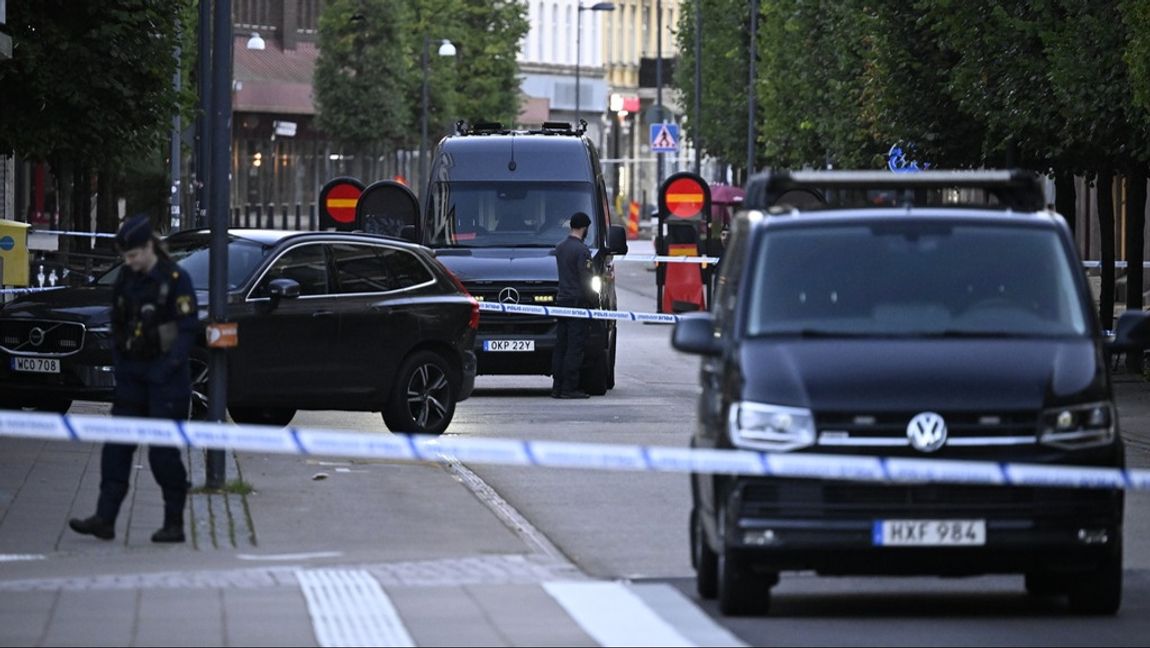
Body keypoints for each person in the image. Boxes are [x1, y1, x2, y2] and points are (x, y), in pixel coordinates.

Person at [69, 216, 198, 543]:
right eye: (125, 257)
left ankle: (174, 523)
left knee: (162, 455)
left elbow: (186, 332)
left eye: (133, 255)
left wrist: (166, 368)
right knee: (116, 450)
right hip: (131, 378)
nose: (129, 262)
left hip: (166, 381)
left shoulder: (174, 279)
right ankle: (105, 519)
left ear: (149, 247)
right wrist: (120, 363)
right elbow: (117, 321)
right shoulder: (127, 277)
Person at [551, 212, 596, 399]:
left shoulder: (560, 248)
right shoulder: (582, 251)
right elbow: (586, 280)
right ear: (584, 228)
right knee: (574, 348)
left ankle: (557, 386)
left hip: (562, 301)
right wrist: (593, 300)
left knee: (561, 346)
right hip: (577, 303)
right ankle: (570, 388)